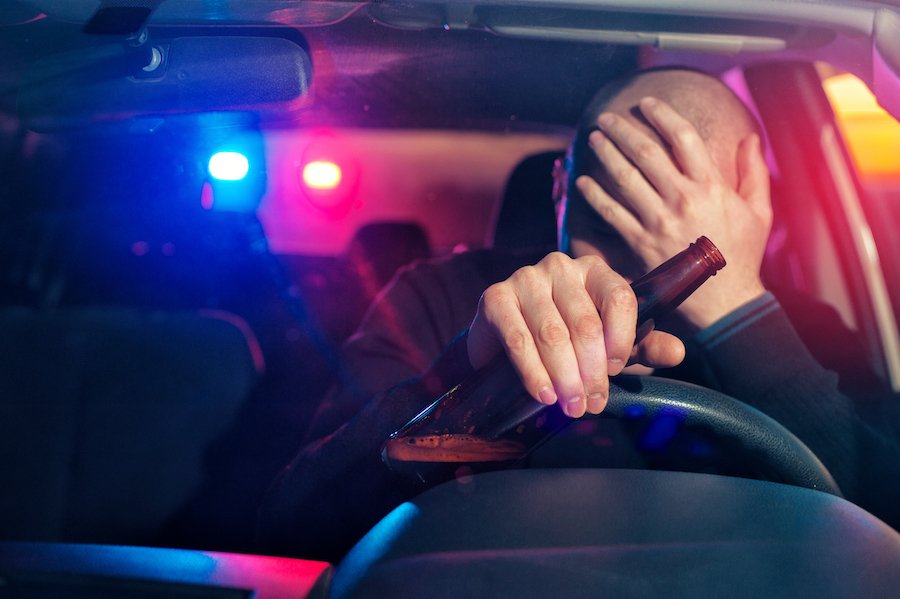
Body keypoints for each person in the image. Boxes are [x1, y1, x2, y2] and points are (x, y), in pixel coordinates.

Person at [257, 67, 900, 561]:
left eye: (683, 203)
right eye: (614, 203)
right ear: (561, 188)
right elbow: (295, 525)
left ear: (750, 203)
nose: (636, 262)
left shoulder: (794, 331)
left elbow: (881, 534)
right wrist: (472, 374)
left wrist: (735, 310)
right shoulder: (441, 298)